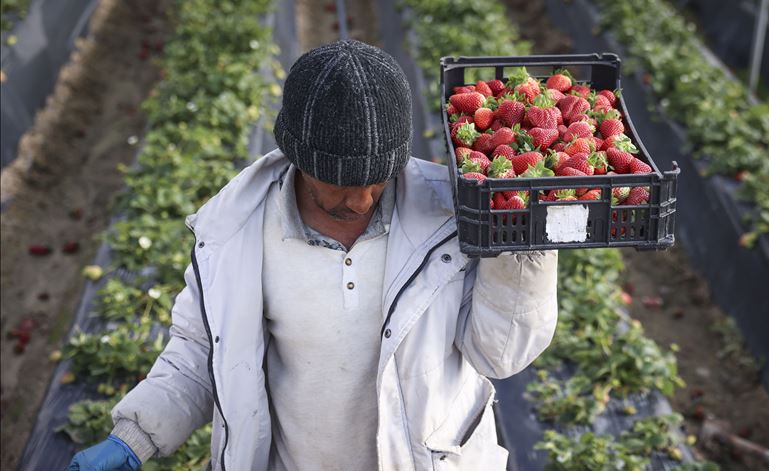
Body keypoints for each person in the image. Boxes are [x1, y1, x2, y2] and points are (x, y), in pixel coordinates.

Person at [68, 39, 558, 471]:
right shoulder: (236, 235)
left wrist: (521, 251)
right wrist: (135, 437)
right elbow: (200, 353)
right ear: (298, 157)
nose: (360, 201)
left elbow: (499, 355)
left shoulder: (453, 217)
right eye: (341, 185)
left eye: (375, 182)